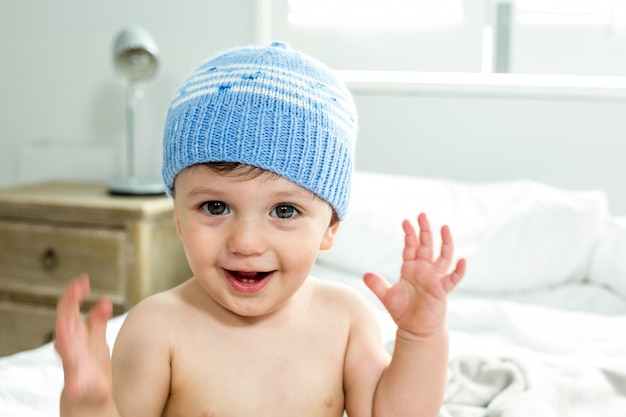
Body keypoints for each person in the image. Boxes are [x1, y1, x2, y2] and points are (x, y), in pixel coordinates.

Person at [55, 41, 466, 417]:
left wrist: (419, 338)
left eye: (284, 211)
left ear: (330, 227)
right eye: (215, 207)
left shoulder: (345, 319)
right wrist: (87, 405)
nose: (246, 243)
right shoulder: (158, 327)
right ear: (178, 219)